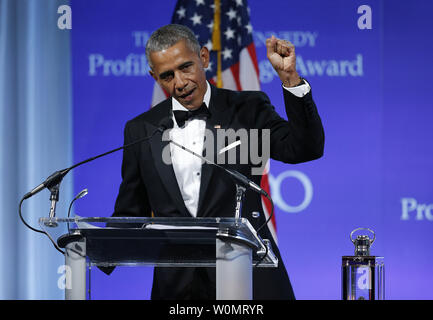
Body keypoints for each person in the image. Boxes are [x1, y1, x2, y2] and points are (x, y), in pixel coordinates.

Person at [107, 24, 324, 300]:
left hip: (249, 277)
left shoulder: (247, 110)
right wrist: (85, 248)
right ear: (154, 77)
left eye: (186, 67)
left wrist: (290, 79)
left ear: (204, 58)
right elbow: (131, 209)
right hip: (178, 289)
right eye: (167, 76)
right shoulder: (141, 129)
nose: (180, 82)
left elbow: (305, 148)